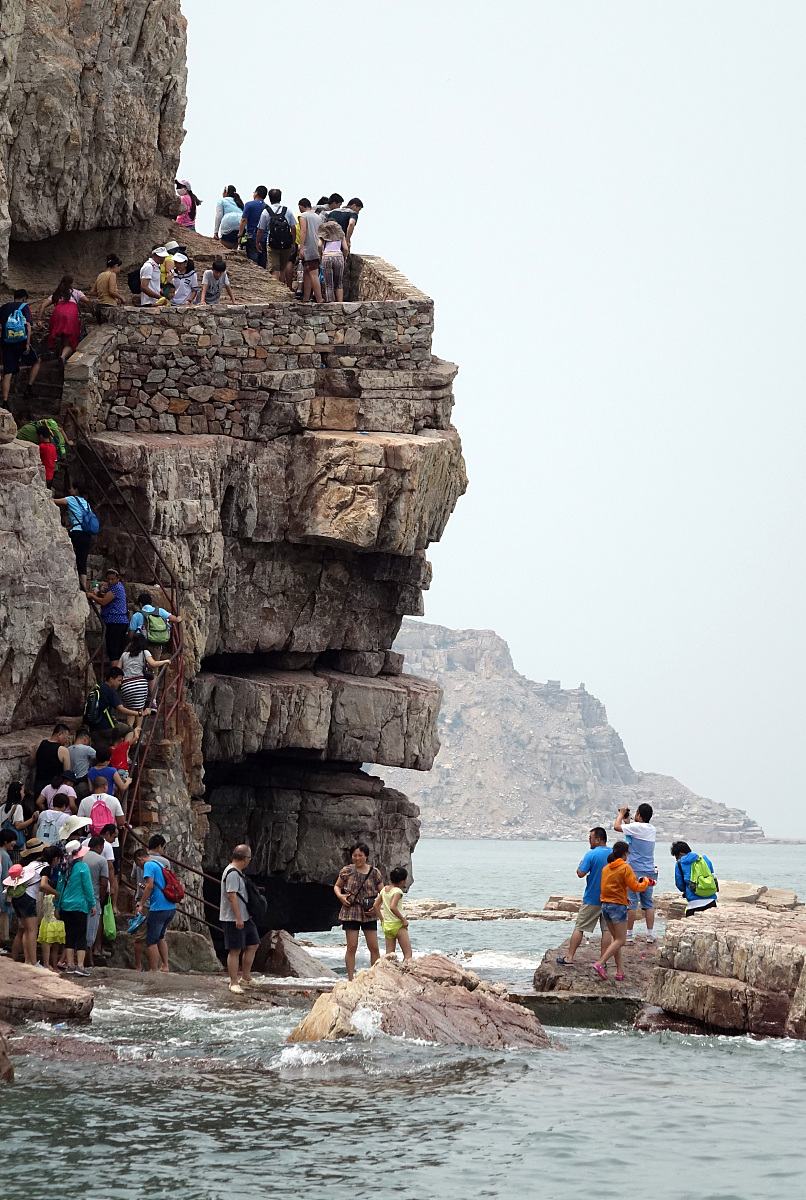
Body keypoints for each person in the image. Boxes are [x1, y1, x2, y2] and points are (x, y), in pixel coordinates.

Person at [593, 841, 656, 982]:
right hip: (617, 908)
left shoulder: (606, 868)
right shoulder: (625, 868)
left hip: (605, 905)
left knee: (616, 940)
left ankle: (620, 971)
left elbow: (608, 887)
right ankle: (600, 963)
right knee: (621, 940)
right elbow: (635, 887)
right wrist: (646, 881)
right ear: (625, 854)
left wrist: (623, 897)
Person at [556, 827, 612, 967]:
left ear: (598, 839)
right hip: (610, 898)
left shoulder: (591, 854)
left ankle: (569, 958)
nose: (589, 841)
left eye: (590, 838)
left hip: (593, 897)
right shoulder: (613, 853)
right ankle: (602, 961)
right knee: (607, 930)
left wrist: (580, 865)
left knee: (580, 927)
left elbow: (581, 873)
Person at [334, 842, 383, 980]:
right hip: (351, 911)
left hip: (369, 912)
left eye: (360, 855)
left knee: (374, 947)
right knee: (352, 946)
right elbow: (337, 886)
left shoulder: (374, 873)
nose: (357, 858)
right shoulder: (346, 871)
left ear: (366, 856)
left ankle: (375, 977)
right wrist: (340, 896)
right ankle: (350, 979)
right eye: (354, 855)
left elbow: (383, 892)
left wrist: (376, 906)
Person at [615, 803, 658, 943]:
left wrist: (621, 814)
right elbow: (633, 832)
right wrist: (628, 822)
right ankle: (650, 935)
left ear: (638, 814)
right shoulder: (651, 829)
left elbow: (617, 827)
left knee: (631, 903)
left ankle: (629, 934)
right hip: (650, 870)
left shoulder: (636, 827)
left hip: (635, 870)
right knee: (648, 903)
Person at [219, 844, 260, 994]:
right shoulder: (231, 873)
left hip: (245, 916)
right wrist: (238, 917)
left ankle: (246, 977)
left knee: (253, 944)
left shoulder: (238, 872)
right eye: (249, 858)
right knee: (235, 949)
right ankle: (233, 982)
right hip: (233, 918)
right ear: (245, 858)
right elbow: (231, 895)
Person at [55, 840, 96, 976]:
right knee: (81, 936)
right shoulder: (83, 867)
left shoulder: (63, 868)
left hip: (65, 906)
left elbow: (59, 889)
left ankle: (70, 966)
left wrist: (57, 906)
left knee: (70, 936)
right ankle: (81, 965)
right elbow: (88, 888)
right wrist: (92, 904)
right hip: (80, 906)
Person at [136, 852, 176, 972]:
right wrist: (147, 886)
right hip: (170, 907)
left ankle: (154, 970)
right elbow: (155, 885)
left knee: (151, 941)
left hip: (158, 908)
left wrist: (141, 904)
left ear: (140, 859)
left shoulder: (148, 865)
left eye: (138, 865)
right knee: (160, 937)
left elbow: (150, 886)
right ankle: (165, 966)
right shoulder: (158, 863)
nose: (140, 868)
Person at [54, 482, 96, 591]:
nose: (70, 490)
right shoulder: (86, 503)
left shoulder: (72, 499)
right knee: (82, 563)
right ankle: (84, 590)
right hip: (87, 535)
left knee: (67, 555)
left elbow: (55, 501)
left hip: (77, 533)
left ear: (76, 490)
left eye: (71, 488)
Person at [1, 289, 41, 402]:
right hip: (21, 342)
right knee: (37, 361)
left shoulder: (4, 307)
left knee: (7, 372)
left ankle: (5, 401)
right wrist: (27, 344)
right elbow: (28, 326)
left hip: (6, 343)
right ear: (24, 298)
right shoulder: (24, 306)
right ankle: (28, 388)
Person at [37, 275, 89, 361]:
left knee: (61, 337)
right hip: (70, 316)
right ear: (71, 284)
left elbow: (42, 305)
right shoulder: (76, 292)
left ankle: (60, 358)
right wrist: (94, 313)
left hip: (57, 316)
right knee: (70, 341)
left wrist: (39, 319)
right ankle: (63, 357)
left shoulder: (57, 294)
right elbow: (87, 301)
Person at [4, 857, 45, 965]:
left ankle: (18, 959)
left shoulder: (22, 867)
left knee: (22, 930)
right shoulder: (33, 868)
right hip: (27, 899)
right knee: (31, 930)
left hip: (16, 899)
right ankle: (31, 961)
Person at [87, 567, 130, 664]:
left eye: (112, 579)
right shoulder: (117, 587)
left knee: (114, 652)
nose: (110, 581)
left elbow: (104, 602)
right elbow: (107, 598)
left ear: (118, 579)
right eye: (108, 579)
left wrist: (92, 596)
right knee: (116, 652)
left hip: (115, 623)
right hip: (119, 623)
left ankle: (115, 675)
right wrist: (100, 594)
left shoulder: (116, 588)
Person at [255, 189, 297, 286]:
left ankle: (275, 291)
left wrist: (257, 242)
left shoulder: (266, 212)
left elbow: (260, 230)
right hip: (286, 244)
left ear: (270, 199)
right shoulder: (287, 211)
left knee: (274, 269)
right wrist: (293, 242)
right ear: (280, 198)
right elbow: (293, 228)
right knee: (282, 269)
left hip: (272, 244)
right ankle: (282, 290)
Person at [84, 666, 143, 732]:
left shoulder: (99, 687)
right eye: (119, 680)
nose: (120, 683)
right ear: (111, 679)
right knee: (129, 730)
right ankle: (127, 742)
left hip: (93, 727)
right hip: (106, 726)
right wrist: (139, 713)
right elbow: (122, 709)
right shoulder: (111, 691)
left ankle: (117, 742)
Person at [128, 591, 181, 660]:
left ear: (140, 604)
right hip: (157, 644)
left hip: (141, 645)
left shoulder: (137, 615)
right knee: (154, 665)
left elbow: (131, 634)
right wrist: (178, 618)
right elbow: (174, 619)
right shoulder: (160, 611)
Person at [37, 845, 66, 970]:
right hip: (56, 925)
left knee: (46, 946)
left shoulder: (44, 897)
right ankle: (54, 966)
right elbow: (57, 913)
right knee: (55, 948)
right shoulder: (54, 897)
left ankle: (46, 964)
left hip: (46, 923)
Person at [119, 634, 160, 723]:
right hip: (140, 685)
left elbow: (117, 670)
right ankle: (138, 731)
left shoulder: (124, 655)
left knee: (130, 712)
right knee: (140, 709)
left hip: (127, 685)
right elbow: (153, 664)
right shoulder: (145, 652)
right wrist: (166, 661)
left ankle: (129, 732)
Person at [82, 835, 110, 965]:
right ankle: (89, 960)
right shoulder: (101, 860)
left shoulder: (80, 858)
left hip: (79, 897)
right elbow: (104, 882)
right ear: (98, 846)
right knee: (91, 930)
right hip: (94, 897)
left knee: (80, 928)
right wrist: (102, 898)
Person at [671, 842, 719, 916]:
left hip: (694, 904)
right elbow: (711, 874)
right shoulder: (704, 859)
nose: (677, 859)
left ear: (680, 854)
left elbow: (679, 884)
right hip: (711, 901)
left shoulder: (680, 863)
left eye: (676, 857)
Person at [377, 867, 412, 962]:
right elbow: (393, 907)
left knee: (389, 955)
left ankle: (387, 971)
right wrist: (403, 919)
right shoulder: (397, 891)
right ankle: (407, 973)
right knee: (408, 953)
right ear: (402, 881)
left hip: (387, 925)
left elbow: (376, 906)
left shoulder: (384, 890)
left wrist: (382, 920)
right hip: (397, 925)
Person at [29, 725, 72, 800]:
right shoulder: (63, 750)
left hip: (39, 783)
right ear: (60, 734)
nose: (66, 740)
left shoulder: (40, 743)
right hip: (55, 787)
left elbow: (31, 762)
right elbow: (67, 772)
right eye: (66, 737)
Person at [297, 199, 324, 303]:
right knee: (307, 272)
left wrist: (301, 247)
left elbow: (303, 231)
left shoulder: (303, 216)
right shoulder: (318, 217)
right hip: (317, 245)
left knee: (313, 273)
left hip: (309, 246)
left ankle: (319, 299)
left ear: (301, 206)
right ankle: (306, 298)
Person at [318, 220, 349, 302]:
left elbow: (319, 245)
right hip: (338, 256)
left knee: (329, 284)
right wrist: (344, 258)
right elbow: (345, 248)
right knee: (338, 282)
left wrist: (320, 255)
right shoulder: (340, 235)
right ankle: (340, 303)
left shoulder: (323, 234)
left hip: (327, 256)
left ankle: (331, 302)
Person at [239, 186, 269, 267]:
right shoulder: (267, 208)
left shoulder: (249, 205)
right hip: (263, 237)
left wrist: (240, 235)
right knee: (262, 262)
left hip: (251, 236)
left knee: (253, 261)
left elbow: (244, 220)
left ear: (256, 193)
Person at [69, 728, 96, 798]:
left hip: (70, 783)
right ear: (86, 738)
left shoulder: (67, 749)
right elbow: (100, 756)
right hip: (83, 781)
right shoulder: (87, 749)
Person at [0, 829, 16, 944]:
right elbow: (6, 877)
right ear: (5, 841)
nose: (14, 842)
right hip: (3, 893)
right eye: (12, 840)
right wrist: (9, 895)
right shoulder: (4, 856)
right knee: (4, 920)